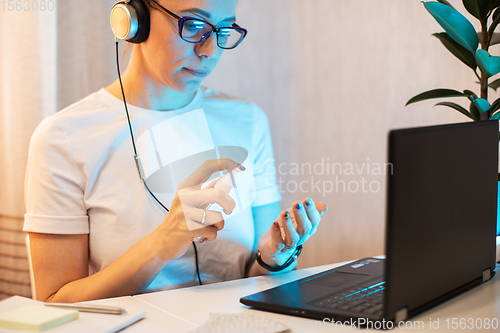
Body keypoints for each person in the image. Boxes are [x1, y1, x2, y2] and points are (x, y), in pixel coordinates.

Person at [23, 0, 327, 303]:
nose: (210, 50)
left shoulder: (248, 121)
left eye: (224, 30)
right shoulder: (63, 138)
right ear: (134, 20)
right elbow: (53, 303)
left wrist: (273, 259)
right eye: (194, 25)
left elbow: (258, 285)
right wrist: (164, 242)